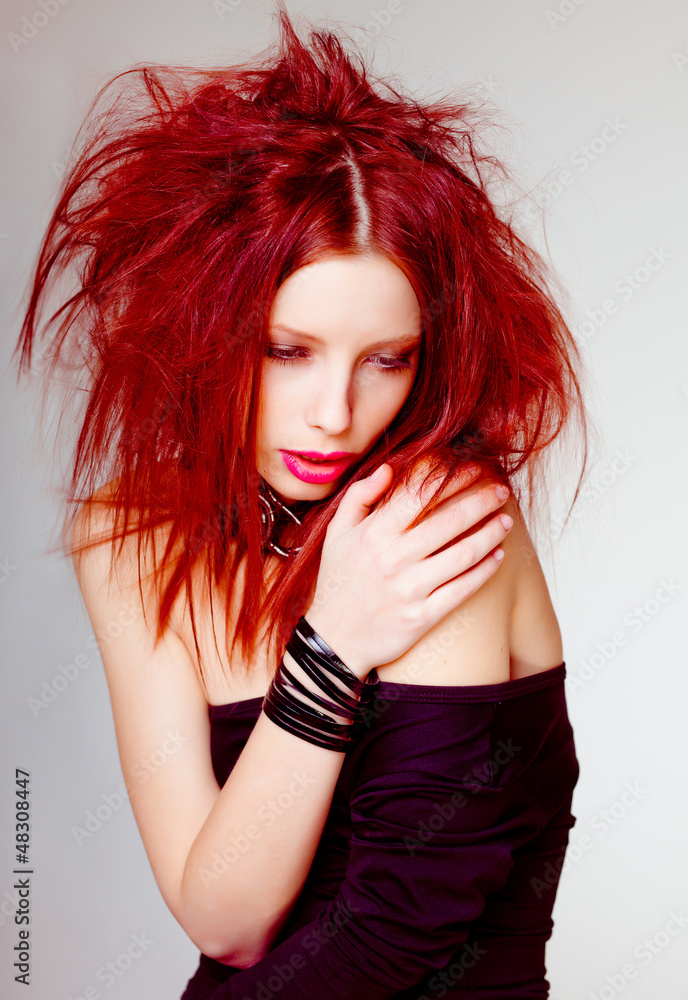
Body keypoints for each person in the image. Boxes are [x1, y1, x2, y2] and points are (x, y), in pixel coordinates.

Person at [12, 4, 590, 997]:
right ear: (204, 327)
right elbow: (225, 921)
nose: (334, 413)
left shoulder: (433, 518)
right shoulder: (128, 532)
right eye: (288, 350)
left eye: (386, 360)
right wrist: (331, 648)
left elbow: (398, 931)